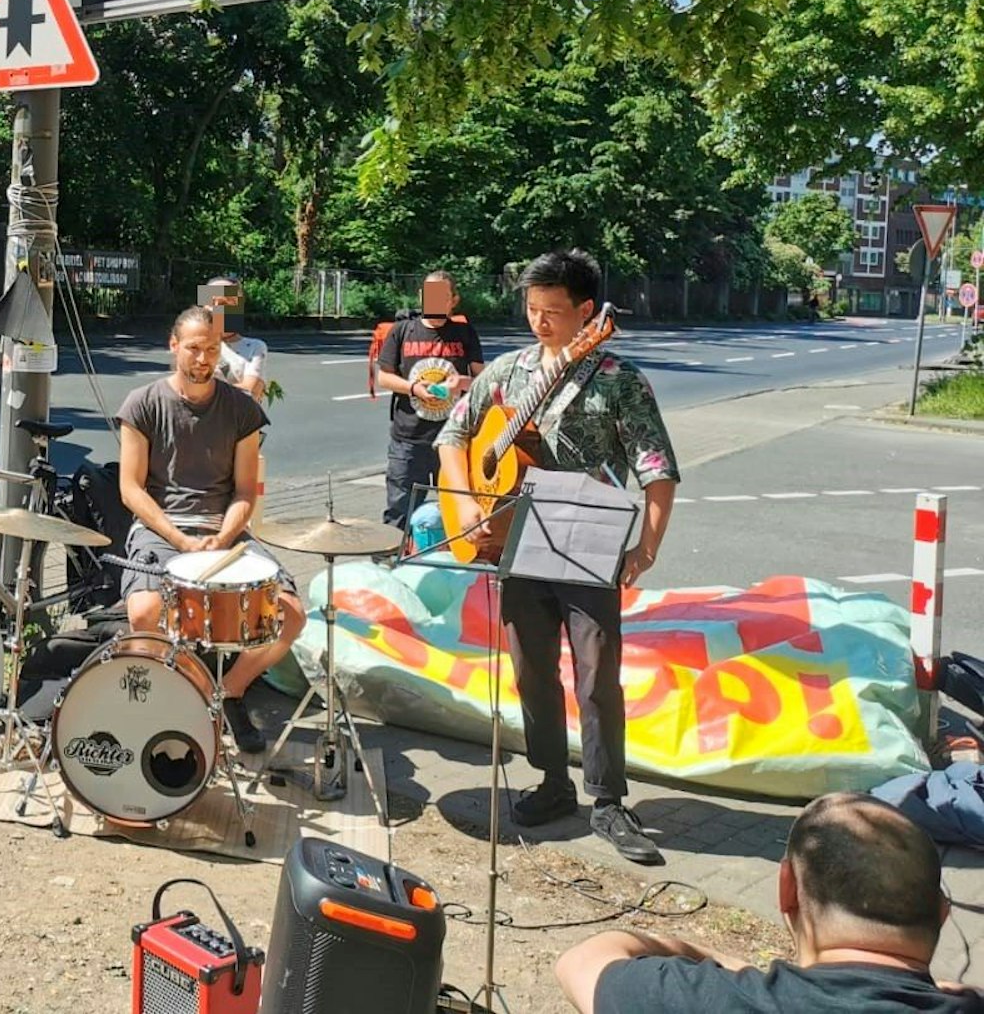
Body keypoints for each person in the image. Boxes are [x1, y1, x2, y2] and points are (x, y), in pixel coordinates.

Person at [435, 249, 677, 865]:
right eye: (532, 308)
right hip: (519, 542)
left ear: (587, 312)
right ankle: (551, 780)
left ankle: (608, 799)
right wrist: (466, 505)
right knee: (531, 668)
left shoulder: (619, 379)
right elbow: (453, 434)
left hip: (590, 541)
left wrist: (646, 547)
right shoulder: (508, 372)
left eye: (554, 311)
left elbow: (656, 468)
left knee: (597, 673)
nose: (539, 321)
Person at [554, 792, 983, 1013]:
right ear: (942, 914)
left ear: (787, 889)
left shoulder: (707, 1001)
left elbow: (581, 962)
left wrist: (726, 963)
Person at [117, 305, 307, 753]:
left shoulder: (242, 409)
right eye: (194, 348)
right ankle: (185, 693)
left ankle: (229, 691)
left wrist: (222, 538)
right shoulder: (142, 404)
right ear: (174, 345)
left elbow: (245, 491)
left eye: (212, 349)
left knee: (291, 613)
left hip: (224, 531)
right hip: (161, 529)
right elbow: (130, 489)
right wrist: (180, 541)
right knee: (144, 612)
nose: (203, 359)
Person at [375, 270, 485, 528]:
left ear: (453, 300)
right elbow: (384, 377)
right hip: (408, 440)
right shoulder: (403, 331)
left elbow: (483, 381)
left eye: (441, 296)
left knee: (457, 512)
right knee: (399, 514)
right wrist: (413, 388)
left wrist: (461, 383)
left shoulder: (464, 332)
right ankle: (396, 553)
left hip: (453, 438)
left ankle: (451, 552)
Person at [202, 277, 268, 403]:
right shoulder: (193, 345)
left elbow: (249, 394)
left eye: (225, 303)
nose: (216, 308)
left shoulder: (254, 347)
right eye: (211, 302)